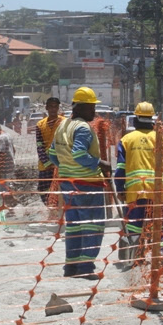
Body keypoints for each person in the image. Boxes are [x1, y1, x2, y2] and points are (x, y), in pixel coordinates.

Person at [48, 87, 111, 280]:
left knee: (74, 225)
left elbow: (52, 154)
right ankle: (85, 267)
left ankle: (71, 267)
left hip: (67, 183)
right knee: (92, 225)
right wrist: (100, 163)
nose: (94, 112)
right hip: (87, 183)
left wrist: (66, 167)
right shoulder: (83, 128)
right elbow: (79, 153)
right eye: (91, 107)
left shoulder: (62, 125)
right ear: (81, 107)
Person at [114, 101, 163, 268]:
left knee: (135, 226)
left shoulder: (126, 140)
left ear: (135, 119)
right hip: (157, 192)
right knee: (160, 226)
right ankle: (162, 254)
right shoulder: (161, 139)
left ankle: (138, 255)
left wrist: (119, 189)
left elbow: (121, 168)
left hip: (134, 192)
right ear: (152, 120)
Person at [35, 97, 65, 205]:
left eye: (55, 107)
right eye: (51, 106)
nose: (53, 109)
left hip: (61, 165)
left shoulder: (64, 122)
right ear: (46, 107)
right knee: (43, 189)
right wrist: (47, 162)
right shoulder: (40, 125)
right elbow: (39, 145)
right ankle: (51, 208)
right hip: (45, 165)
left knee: (61, 189)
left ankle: (59, 210)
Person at [0, 120, 16, 207]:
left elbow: (1, 154)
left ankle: (8, 205)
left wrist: (0, 171)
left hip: (4, 168)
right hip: (10, 166)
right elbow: (14, 149)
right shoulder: (8, 135)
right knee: (3, 186)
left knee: (2, 188)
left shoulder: (1, 138)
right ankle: (9, 203)